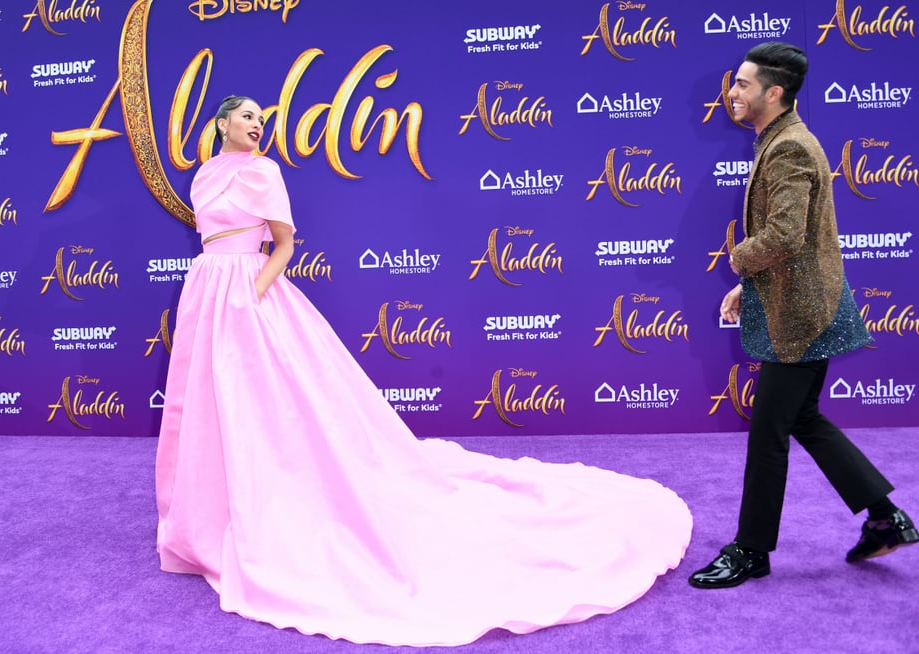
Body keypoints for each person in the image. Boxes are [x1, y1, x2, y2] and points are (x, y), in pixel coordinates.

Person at [154, 95, 694, 645]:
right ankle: (209, 515)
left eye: (262, 120)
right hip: (206, 291)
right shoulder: (202, 176)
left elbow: (285, 244)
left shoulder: (264, 172)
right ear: (222, 123)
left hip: (250, 294)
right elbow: (211, 241)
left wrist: (254, 292)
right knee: (204, 403)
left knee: (268, 405)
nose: (256, 126)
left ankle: (270, 504)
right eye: (247, 117)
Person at [689, 43, 917, 590]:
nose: (732, 92)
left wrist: (738, 261)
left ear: (774, 93)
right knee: (803, 419)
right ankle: (886, 518)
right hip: (805, 301)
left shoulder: (789, 147)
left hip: (802, 316)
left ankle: (750, 550)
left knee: (769, 430)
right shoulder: (781, 139)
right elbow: (793, 239)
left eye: (743, 84)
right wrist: (750, 285)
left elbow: (786, 235)